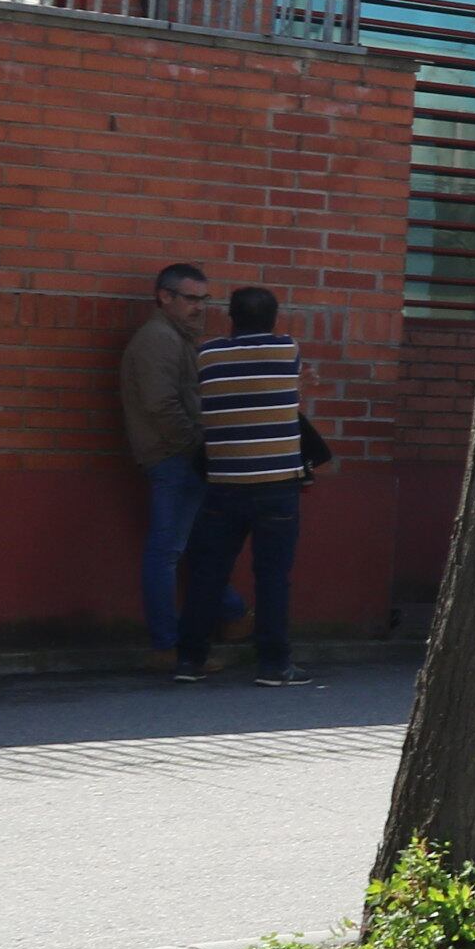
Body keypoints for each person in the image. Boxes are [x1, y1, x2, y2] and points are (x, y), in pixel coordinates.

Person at [170, 283, 315, 687]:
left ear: (231, 318)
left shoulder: (207, 354)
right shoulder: (286, 349)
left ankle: (189, 660)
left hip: (224, 483)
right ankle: (274, 665)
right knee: (272, 576)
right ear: (274, 319)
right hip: (277, 484)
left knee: (208, 573)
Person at [121, 260, 244, 667]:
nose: (200, 307)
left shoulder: (177, 337)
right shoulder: (158, 340)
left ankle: (232, 615)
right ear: (165, 296)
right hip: (174, 457)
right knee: (168, 550)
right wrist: (196, 446)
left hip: (180, 456)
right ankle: (169, 646)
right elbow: (162, 406)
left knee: (192, 545)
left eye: (204, 299)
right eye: (192, 298)